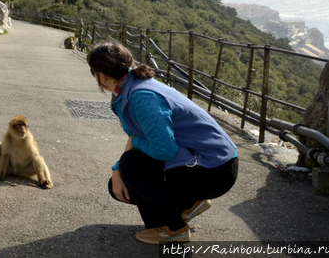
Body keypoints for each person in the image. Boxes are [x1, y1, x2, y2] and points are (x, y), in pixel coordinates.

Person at [86, 40, 238, 244]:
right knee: (124, 180)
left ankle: (174, 228)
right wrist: (117, 169)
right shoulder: (130, 89)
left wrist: (128, 155)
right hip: (206, 161)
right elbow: (141, 141)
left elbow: (161, 149)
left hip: (214, 169)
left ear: (102, 75)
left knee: (132, 167)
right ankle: (189, 204)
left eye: (92, 71)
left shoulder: (142, 96)